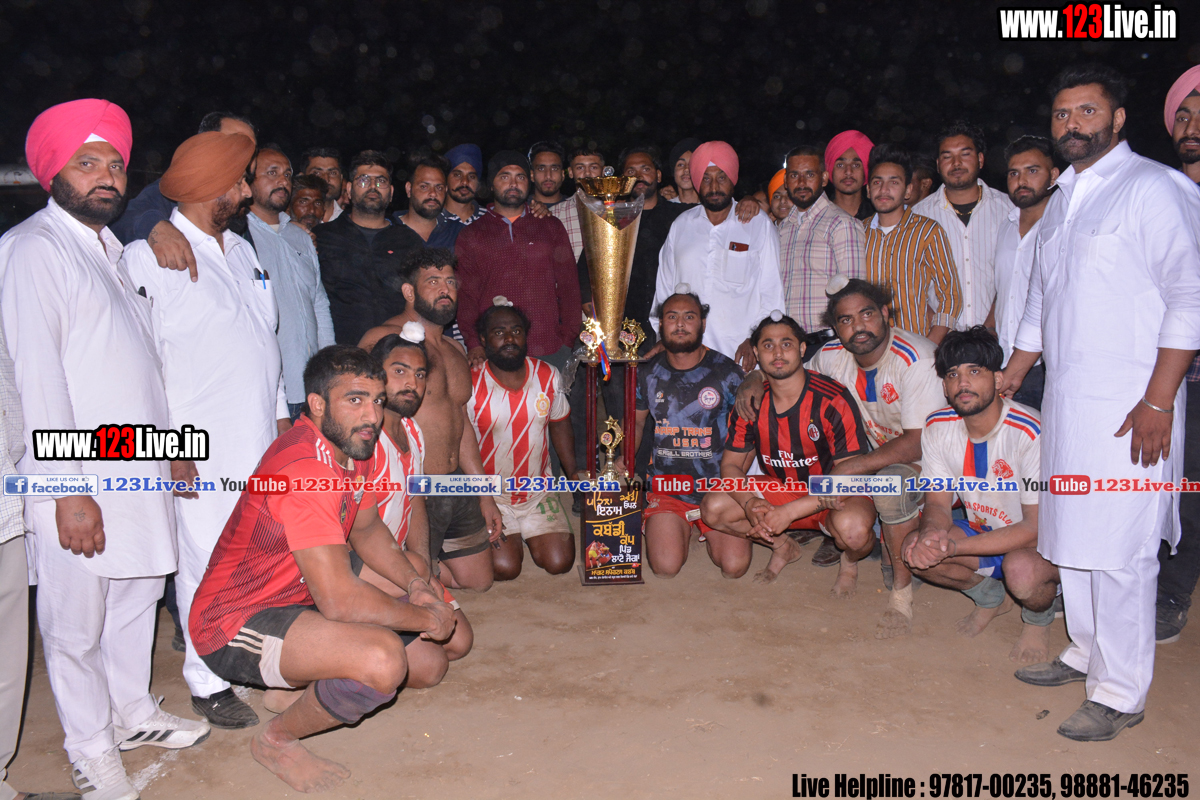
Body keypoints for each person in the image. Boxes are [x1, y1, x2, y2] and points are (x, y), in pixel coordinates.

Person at [2, 99, 208, 800]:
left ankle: (131, 713)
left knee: (136, 592)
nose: (107, 177)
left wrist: (170, 446)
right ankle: (91, 753)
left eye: (116, 164)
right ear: (51, 173)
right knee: (76, 622)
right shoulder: (35, 248)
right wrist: (68, 489)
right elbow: (39, 377)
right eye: (87, 163)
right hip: (78, 470)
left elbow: (135, 366)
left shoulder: (111, 250)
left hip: (135, 461)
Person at [1004, 64, 1200, 742]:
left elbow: (1190, 298)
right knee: (1073, 536)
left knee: (1121, 547)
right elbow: (1040, 300)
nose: (1072, 124)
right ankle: (1086, 651)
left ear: (1117, 119)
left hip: (1132, 410)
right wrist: (1013, 374)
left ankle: (1121, 691)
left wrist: (1159, 400)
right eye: (1062, 114)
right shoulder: (1061, 200)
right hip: (1069, 408)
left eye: (1087, 111)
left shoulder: (1156, 188)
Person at [187, 345, 456, 793]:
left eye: (377, 400)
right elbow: (341, 600)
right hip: (235, 619)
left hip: (298, 589)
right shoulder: (305, 469)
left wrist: (416, 585)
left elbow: (367, 529)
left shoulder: (352, 447)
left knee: (426, 649)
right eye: (355, 400)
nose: (372, 415)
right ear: (316, 403)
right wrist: (426, 617)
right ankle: (276, 741)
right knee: (383, 660)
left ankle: (295, 681)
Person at [123, 130, 289, 730]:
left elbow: (264, 344)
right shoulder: (148, 258)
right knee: (204, 560)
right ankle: (206, 680)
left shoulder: (242, 251)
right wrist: (166, 447)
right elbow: (141, 365)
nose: (246, 191)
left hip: (257, 437)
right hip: (197, 445)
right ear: (208, 188)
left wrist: (281, 425)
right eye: (238, 182)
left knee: (253, 555)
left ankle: (240, 657)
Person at [905, 326, 1061, 662]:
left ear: (999, 379)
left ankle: (1038, 619)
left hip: (1037, 543)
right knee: (917, 549)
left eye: (975, 371)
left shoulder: (1030, 431)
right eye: (953, 374)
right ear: (944, 387)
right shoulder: (937, 426)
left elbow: (1034, 527)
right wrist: (932, 535)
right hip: (984, 530)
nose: (963, 383)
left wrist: (954, 547)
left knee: (1022, 572)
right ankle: (991, 598)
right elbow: (937, 503)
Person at [359, 249, 503, 592]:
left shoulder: (454, 349)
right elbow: (359, 411)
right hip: (415, 487)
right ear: (409, 292)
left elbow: (461, 422)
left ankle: (426, 570)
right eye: (433, 281)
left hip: (455, 483)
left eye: (450, 282)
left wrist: (484, 493)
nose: (445, 289)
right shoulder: (384, 340)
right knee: (412, 582)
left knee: (481, 581)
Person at [700, 313, 876, 593]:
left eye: (787, 344)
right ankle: (783, 547)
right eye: (768, 345)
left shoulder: (832, 399)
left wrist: (790, 512)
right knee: (713, 507)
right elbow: (731, 467)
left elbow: (850, 477)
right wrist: (749, 503)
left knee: (854, 532)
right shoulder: (751, 402)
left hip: (833, 494)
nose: (778, 353)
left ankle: (849, 562)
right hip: (782, 490)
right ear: (756, 352)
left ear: (803, 349)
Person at [634, 289, 744, 577]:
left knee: (734, 566)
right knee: (665, 568)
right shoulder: (647, 372)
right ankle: (676, 526)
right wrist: (623, 460)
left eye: (689, 317)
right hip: (668, 488)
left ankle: (702, 525)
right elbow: (636, 423)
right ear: (661, 325)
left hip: (717, 489)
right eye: (672, 317)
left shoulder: (727, 373)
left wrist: (736, 478)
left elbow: (747, 433)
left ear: (703, 324)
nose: (680, 324)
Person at [652, 141, 784, 371]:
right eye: (706, 178)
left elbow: (772, 291)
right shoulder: (682, 225)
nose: (714, 187)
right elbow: (664, 290)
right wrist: (662, 337)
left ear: (733, 179)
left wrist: (756, 339)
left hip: (740, 356)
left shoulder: (757, 224)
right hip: (685, 356)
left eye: (721, 177)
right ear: (697, 182)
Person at [470, 301, 577, 579]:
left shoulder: (547, 375)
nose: (509, 339)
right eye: (499, 332)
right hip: (491, 495)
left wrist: (574, 473)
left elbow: (560, 425)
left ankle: (532, 528)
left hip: (538, 491)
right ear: (483, 339)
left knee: (559, 562)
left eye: (516, 331)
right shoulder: (470, 383)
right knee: (505, 568)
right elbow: (461, 445)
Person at [456, 151, 582, 373]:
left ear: (528, 182)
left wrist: (567, 341)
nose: (513, 183)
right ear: (491, 184)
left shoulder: (550, 226)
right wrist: (474, 344)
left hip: (549, 347)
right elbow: (466, 297)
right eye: (505, 176)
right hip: (496, 349)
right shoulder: (472, 234)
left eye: (520, 177)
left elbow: (569, 286)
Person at [1156, 65, 1200, 643]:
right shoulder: (1163, 195)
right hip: (1171, 369)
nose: (1191, 126)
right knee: (1176, 485)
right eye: (1183, 116)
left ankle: (1173, 589)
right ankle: (1165, 586)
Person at [110, 111, 257, 278]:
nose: (244, 151)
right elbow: (125, 215)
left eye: (252, 147)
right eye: (235, 141)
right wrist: (155, 226)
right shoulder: (182, 190)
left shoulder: (251, 197)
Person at [248, 147, 337, 420]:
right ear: (248, 180)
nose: (282, 181)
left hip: (311, 389)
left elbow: (319, 304)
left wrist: (328, 370)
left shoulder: (301, 237)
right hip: (268, 393)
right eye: (271, 173)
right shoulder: (239, 237)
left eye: (287, 174)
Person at [315, 150, 424, 345]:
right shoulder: (323, 237)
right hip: (339, 352)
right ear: (349, 189)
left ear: (391, 192)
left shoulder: (409, 241)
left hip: (398, 351)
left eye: (381, 181)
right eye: (364, 180)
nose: (373, 187)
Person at [913, 122, 1015, 330]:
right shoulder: (917, 216)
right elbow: (910, 283)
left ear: (980, 159)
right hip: (938, 338)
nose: (956, 163)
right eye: (947, 156)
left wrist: (990, 329)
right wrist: (940, 332)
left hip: (999, 337)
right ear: (938, 164)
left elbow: (1017, 276)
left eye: (965, 154)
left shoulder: (1010, 210)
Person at [864, 144, 963, 345]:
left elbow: (951, 296)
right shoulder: (858, 232)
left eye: (894, 182)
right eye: (877, 182)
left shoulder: (928, 231)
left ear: (908, 190)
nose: (884, 189)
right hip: (869, 349)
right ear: (868, 190)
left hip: (915, 346)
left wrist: (928, 346)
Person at [777, 144, 866, 351]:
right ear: (786, 181)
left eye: (809, 174)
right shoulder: (782, 229)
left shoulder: (841, 224)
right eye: (794, 175)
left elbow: (855, 295)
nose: (801, 183)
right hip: (788, 346)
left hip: (829, 345)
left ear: (824, 178)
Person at [993, 136, 1059, 412]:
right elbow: (1004, 290)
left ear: (1053, 176)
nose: (1021, 180)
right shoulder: (1006, 226)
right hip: (1002, 362)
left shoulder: (1062, 227)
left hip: (1044, 366)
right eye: (1013, 173)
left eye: (1032, 171)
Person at [394, 154, 463, 250]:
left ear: (446, 191)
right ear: (409, 189)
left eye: (439, 188)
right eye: (424, 187)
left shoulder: (457, 233)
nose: (433, 193)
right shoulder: (389, 231)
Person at [529, 141, 583, 261]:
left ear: (563, 174)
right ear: (532, 175)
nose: (548, 176)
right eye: (541, 168)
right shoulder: (521, 210)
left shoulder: (577, 210)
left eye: (554, 168)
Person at [825, 130, 876, 222]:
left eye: (856, 165)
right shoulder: (818, 217)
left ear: (865, 171)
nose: (848, 172)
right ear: (830, 171)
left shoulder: (878, 218)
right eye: (840, 165)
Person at [442, 143, 487, 225]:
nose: (465, 181)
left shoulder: (489, 219)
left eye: (471, 176)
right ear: (445, 179)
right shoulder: (432, 218)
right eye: (457, 175)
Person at [299, 147, 345, 222]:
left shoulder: (351, 222)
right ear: (302, 178)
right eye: (317, 173)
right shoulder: (286, 222)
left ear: (341, 178)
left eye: (333, 173)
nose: (326, 179)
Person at [663, 137, 701, 204]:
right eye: (680, 165)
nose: (686, 169)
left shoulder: (712, 207)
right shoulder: (664, 208)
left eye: (691, 164)